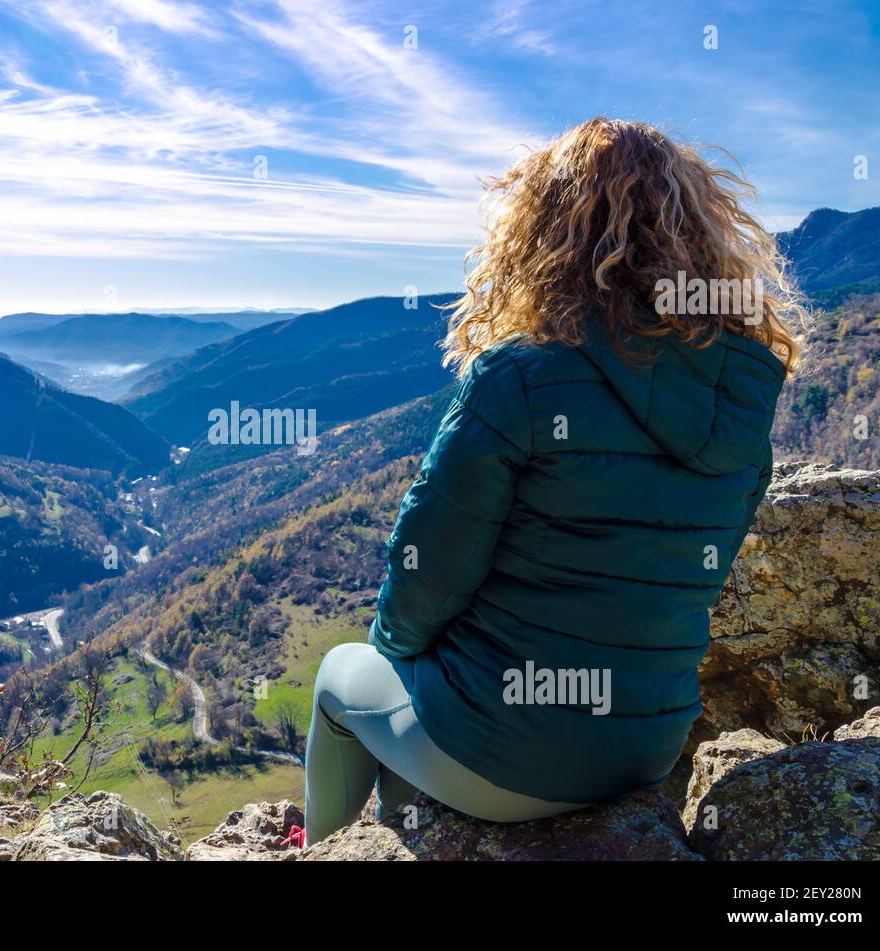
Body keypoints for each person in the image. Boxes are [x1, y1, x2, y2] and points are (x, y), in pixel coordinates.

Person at [302, 117, 804, 845]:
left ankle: (328, 848)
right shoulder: (739, 404)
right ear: (699, 238)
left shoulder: (519, 377)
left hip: (502, 753)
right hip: (644, 750)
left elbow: (426, 579)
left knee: (340, 676)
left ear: (544, 232)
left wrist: (397, 651)